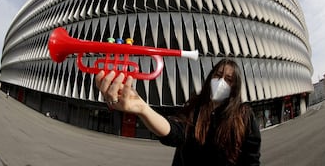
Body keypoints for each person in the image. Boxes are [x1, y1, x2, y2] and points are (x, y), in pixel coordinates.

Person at [95, 58, 261, 165]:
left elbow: (251, 161)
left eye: (228, 80)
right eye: (218, 75)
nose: (221, 81)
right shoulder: (195, 107)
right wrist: (143, 109)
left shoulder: (244, 116)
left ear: (235, 87)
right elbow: (175, 132)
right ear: (210, 77)